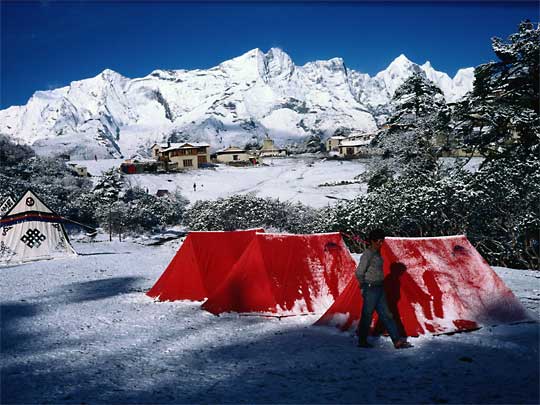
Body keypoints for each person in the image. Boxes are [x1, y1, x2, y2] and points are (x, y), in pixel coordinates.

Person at [355, 228, 412, 349]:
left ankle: (397, 341)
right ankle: (362, 341)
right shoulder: (368, 254)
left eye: (382, 241)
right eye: (379, 241)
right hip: (370, 288)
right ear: (372, 241)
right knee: (367, 315)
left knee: (387, 315)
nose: (381, 243)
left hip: (380, 288)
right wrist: (363, 286)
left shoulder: (377, 253)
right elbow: (359, 272)